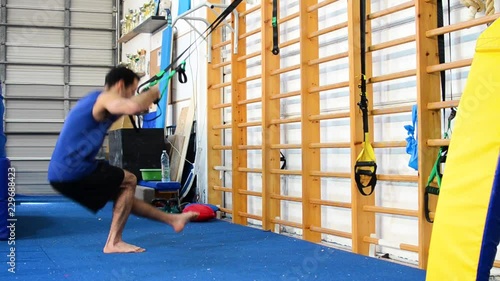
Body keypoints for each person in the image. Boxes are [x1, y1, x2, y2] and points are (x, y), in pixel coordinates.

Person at [47, 66, 198, 253]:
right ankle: (113, 242)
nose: (133, 94)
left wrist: (146, 96)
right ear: (120, 85)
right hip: (73, 169)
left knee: (123, 195)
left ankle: (172, 219)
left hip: (63, 173)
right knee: (129, 181)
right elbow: (134, 106)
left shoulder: (104, 104)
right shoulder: (103, 98)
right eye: (132, 90)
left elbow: (137, 108)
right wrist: (155, 90)